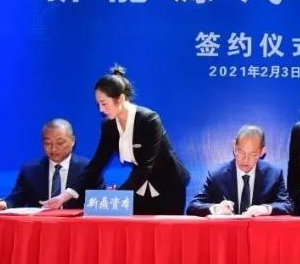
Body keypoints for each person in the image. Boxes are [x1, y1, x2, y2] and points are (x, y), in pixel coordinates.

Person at [41, 65, 190, 215]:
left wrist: (118, 196)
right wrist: (64, 196)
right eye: (98, 104)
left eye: (104, 103)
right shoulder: (109, 126)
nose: (101, 109)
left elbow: (145, 167)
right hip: (140, 187)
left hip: (169, 185)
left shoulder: (149, 120)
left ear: (121, 99)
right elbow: (96, 165)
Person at [0, 119, 101, 211]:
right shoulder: (30, 170)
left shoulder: (89, 168)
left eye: (60, 143)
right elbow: (16, 199)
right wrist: (3, 204)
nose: (53, 148)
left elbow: (100, 201)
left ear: (73, 141)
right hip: (40, 228)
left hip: (75, 229)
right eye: (48, 143)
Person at [187, 125, 292, 217]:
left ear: (262, 152)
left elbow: (287, 205)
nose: (245, 159)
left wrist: (265, 209)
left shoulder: (273, 175)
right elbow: (193, 206)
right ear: (234, 147)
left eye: (252, 154)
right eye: (241, 152)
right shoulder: (217, 176)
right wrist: (216, 208)